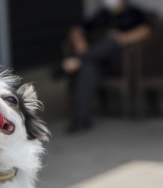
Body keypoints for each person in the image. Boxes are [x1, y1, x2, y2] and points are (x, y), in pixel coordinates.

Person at [60, 0, 151, 133]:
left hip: (122, 62)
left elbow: (145, 31)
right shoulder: (102, 15)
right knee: (87, 69)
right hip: (98, 62)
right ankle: (80, 119)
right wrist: (79, 41)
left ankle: (74, 63)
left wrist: (124, 38)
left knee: (112, 41)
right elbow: (76, 29)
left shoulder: (135, 13)